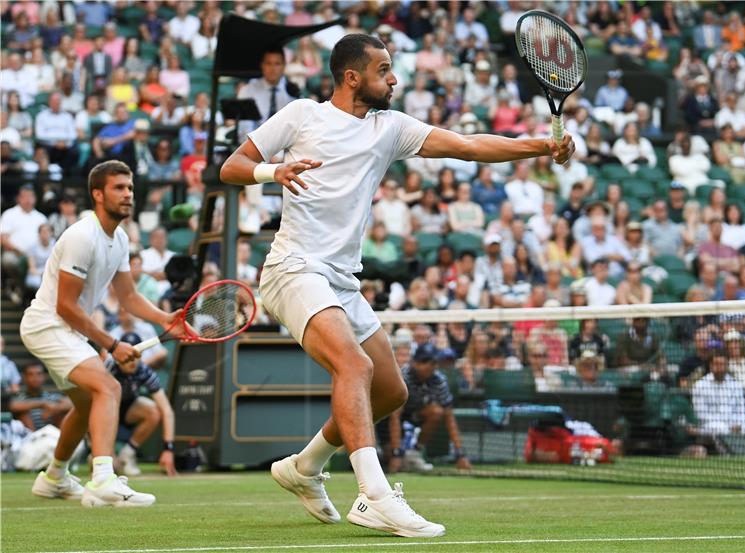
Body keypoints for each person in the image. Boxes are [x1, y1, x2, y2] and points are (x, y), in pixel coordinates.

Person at [219, 33, 574, 538]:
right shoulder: (302, 115)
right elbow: (230, 167)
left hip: (341, 280)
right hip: (294, 269)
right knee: (353, 365)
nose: (394, 78)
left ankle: (303, 467)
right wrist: (273, 170)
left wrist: (543, 145)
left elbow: (469, 146)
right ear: (352, 77)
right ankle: (374, 496)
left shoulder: (391, 128)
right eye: (384, 69)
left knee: (389, 390)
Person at [19, 160, 185, 507]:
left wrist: (165, 318)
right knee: (107, 387)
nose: (128, 195)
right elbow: (65, 305)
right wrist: (111, 344)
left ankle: (54, 478)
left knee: (85, 404)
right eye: (119, 188)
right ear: (98, 194)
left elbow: (129, 296)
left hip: (66, 329)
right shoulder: (82, 235)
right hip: (47, 324)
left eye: (130, 188)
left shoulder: (120, 238)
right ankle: (103, 478)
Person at [387, 343, 472, 474]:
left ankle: (414, 453)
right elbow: (395, 416)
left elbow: (449, 418)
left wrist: (460, 453)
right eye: (427, 362)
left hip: (416, 415)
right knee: (387, 460)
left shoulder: (439, 380)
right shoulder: (402, 377)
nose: (432, 367)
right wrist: (395, 453)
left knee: (437, 412)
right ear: (415, 362)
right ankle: (394, 453)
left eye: (434, 363)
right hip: (390, 419)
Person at [107, 332, 177, 477]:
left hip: (128, 411)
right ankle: (99, 453)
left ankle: (128, 454)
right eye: (129, 355)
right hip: (105, 413)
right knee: (110, 467)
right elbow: (90, 407)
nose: (133, 360)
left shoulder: (144, 371)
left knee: (154, 411)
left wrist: (168, 449)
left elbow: (167, 410)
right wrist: (108, 452)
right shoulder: (108, 369)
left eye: (137, 354)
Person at [692, 351, 745, 435]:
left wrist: (738, 424)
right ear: (711, 366)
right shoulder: (700, 385)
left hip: (735, 426)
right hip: (709, 427)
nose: (720, 367)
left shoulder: (736, 384)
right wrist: (725, 426)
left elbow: (742, 410)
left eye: (723, 364)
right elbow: (701, 415)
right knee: (723, 431)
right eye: (717, 364)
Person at [9, 363, 72, 431]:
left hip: (52, 434)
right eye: (31, 374)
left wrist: (56, 408)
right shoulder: (19, 397)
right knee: (23, 412)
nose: (35, 378)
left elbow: (72, 404)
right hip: (29, 436)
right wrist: (42, 404)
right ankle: (33, 439)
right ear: (24, 378)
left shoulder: (51, 397)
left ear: (44, 376)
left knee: (62, 411)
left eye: (39, 374)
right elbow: (10, 405)